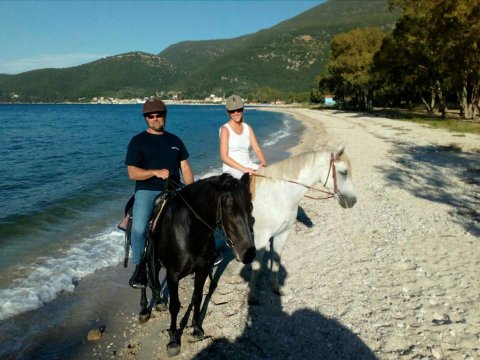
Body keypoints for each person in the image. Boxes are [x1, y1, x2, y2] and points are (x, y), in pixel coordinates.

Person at [125, 97, 194, 288]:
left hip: (174, 188)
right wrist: (154, 172)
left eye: (159, 115)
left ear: (165, 116)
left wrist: (191, 189)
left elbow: (185, 166)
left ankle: (208, 253)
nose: (155, 118)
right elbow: (132, 173)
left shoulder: (175, 140)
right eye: (151, 116)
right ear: (146, 119)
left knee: (197, 217)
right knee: (138, 229)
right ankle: (139, 268)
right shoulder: (138, 141)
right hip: (147, 190)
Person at [219, 94, 267, 179]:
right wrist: (244, 169)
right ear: (228, 112)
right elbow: (224, 157)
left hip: (248, 166)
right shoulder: (225, 129)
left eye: (239, 110)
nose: (236, 113)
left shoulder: (248, 128)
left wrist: (263, 162)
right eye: (232, 111)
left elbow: (257, 149)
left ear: (243, 110)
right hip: (232, 169)